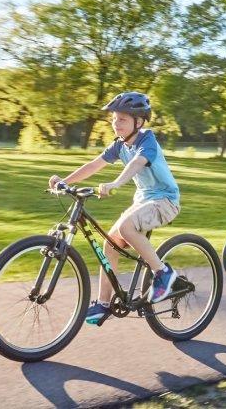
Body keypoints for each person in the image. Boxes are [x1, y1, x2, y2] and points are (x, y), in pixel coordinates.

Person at [48, 91, 181, 325]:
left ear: (138, 122)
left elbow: (137, 163)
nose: (115, 123)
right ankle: (103, 304)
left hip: (165, 201)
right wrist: (64, 182)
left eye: (122, 119)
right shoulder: (119, 145)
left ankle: (163, 273)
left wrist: (116, 183)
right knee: (110, 243)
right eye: (114, 119)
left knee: (126, 227)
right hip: (143, 202)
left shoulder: (147, 140)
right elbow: (94, 165)